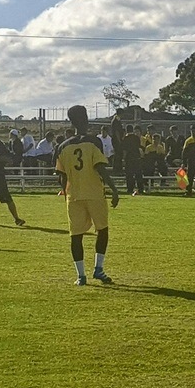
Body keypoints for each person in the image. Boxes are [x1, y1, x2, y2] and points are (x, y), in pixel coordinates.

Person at [55, 105, 120, 286]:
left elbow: (61, 176)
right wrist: (114, 189)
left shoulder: (62, 147)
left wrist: (67, 191)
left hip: (73, 196)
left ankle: (80, 276)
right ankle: (98, 269)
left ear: (71, 121)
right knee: (102, 230)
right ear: (86, 119)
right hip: (94, 193)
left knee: (76, 235)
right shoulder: (94, 142)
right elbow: (100, 167)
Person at [121, 124, 144, 195]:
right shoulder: (136, 138)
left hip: (129, 158)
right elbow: (138, 147)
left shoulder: (125, 138)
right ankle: (140, 188)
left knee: (129, 175)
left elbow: (125, 150)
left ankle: (130, 189)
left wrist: (123, 159)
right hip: (137, 157)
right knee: (138, 174)